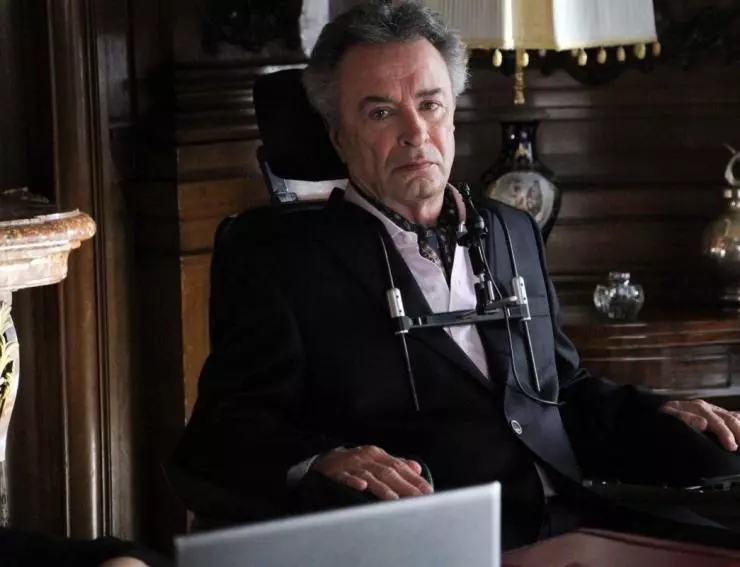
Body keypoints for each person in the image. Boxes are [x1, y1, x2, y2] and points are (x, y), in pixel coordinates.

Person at [171, 0, 740, 550]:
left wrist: (658, 410)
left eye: (430, 104)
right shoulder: (283, 261)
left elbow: (558, 390)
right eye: (380, 112)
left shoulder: (512, 229)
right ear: (337, 134)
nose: (416, 133)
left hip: (575, 517)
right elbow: (218, 439)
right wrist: (322, 461)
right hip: (437, 542)